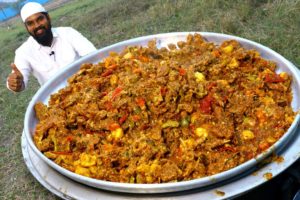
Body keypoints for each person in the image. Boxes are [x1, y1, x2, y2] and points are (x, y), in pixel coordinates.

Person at [7, 2, 97, 92]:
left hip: (86, 88)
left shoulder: (68, 33)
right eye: (30, 23)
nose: (37, 25)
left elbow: (93, 55)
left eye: (40, 19)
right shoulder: (23, 52)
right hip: (57, 100)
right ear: (26, 27)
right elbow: (19, 80)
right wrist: (15, 83)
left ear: (48, 18)